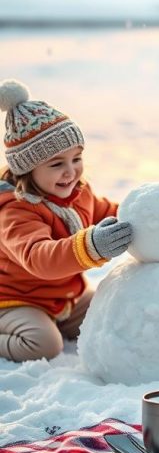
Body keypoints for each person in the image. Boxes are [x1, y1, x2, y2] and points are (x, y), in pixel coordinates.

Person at [0, 80, 132, 362]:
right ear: (27, 169)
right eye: (57, 164)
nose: (71, 172)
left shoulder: (78, 192)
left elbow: (106, 210)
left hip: (66, 298)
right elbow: (39, 257)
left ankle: (59, 322)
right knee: (45, 343)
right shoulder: (15, 211)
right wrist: (92, 247)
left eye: (77, 158)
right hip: (16, 301)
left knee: (115, 309)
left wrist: (142, 213)